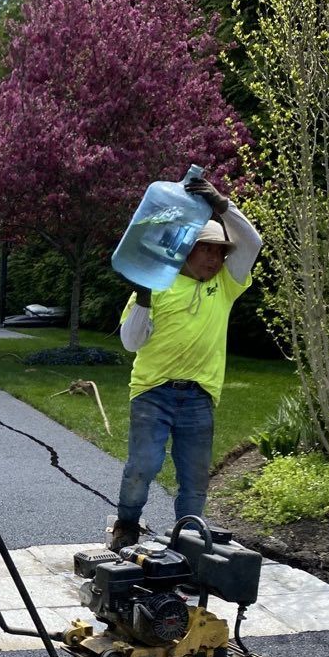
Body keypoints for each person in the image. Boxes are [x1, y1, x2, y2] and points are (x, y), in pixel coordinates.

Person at [107, 176, 263, 552]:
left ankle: (188, 542)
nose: (214, 259)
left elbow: (253, 243)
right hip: (153, 393)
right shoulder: (154, 284)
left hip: (199, 396)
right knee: (142, 467)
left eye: (219, 253)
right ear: (184, 248)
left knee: (194, 480)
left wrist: (223, 205)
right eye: (205, 250)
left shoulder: (225, 285)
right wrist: (143, 299)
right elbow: (131, 342)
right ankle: (126, 526)